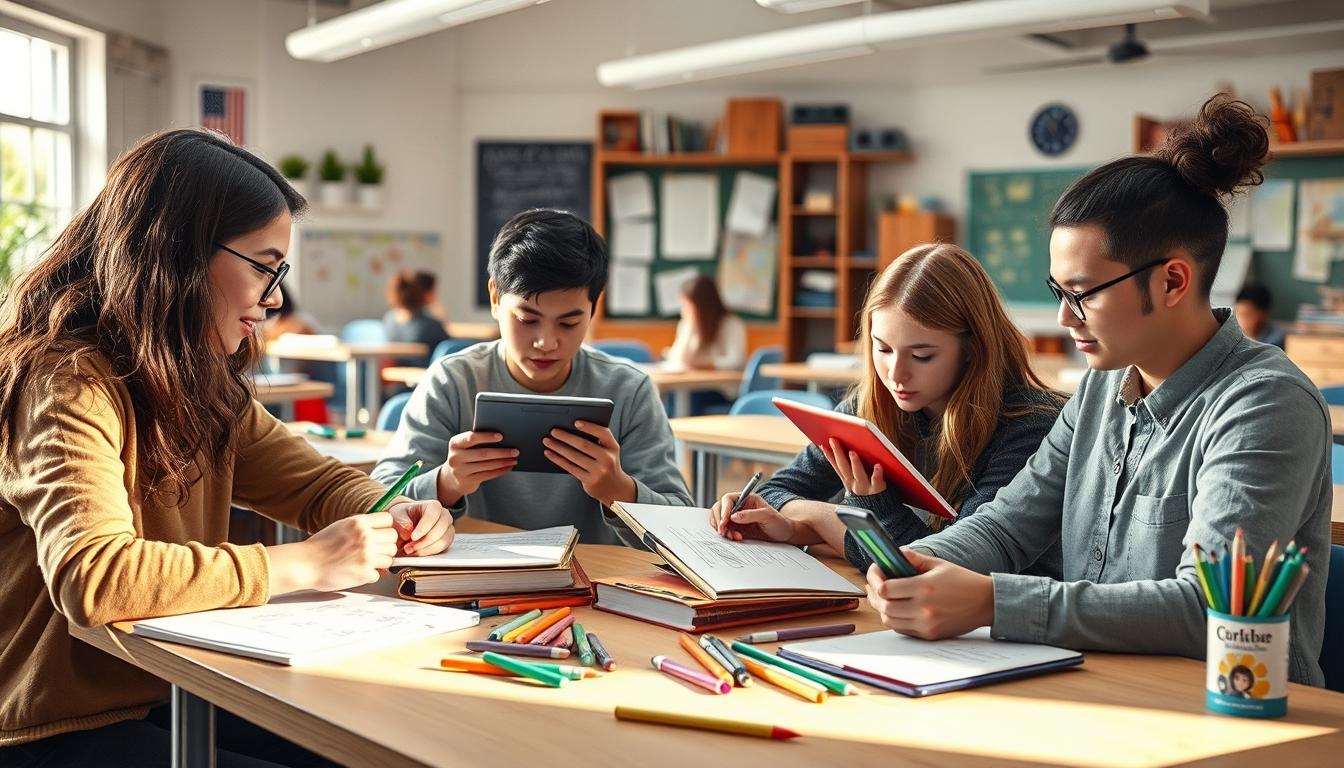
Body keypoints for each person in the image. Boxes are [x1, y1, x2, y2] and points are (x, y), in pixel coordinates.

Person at [0, 129, 456, 765]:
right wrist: (303, 565)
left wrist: (392, 508)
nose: (273, 298)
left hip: (172, 685)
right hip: (58, 723)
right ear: (180, 254)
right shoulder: (67, 380)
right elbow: (95, 577)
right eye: (263, 267)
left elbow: (319, 485)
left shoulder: (201, 384)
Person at [856, 95, 1330, 686]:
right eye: (1058, 291)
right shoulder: (1101, 387)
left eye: (1082, 293)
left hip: (1229, 715)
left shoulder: (1263, 403)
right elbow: (1008, 526)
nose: (1064, 317)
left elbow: (1211, 610)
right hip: (1096, 685)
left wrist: (993, 602)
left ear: (1173, 280)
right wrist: (921, 565)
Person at [709, 244, 1064, 576]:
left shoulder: (1028, 426)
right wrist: (803, 526)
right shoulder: (871, 409)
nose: (896, 374)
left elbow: (945, 567)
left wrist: (838, 516)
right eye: (883, 349)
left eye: (922, 355)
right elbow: (774, 493)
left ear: (972, 348)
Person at [372, 209, 692, 546]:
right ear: (495, 298)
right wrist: (447, 481)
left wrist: (618, 491)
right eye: (527, 319)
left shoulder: (629, 390)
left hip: (592, 586)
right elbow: (378, 498)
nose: (546, 342)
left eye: (569, 323)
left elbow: (682, 529)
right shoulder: (453, 381)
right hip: (474, 584)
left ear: (594, 308)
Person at [666, 274, 747, 371]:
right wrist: (690, 327)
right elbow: (677, 360)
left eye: (688, 305)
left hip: (720, 384)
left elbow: (735, 361)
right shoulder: (686, 325)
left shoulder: (732, 325)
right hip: (688, 384)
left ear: (703, 305)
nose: (683, 310)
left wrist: (703, 364)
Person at [383, 270, 450, 366]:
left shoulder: (389, 319)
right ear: (423, 294)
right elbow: (449, 346)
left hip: (397, 369)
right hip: (425, 371)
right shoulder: (428, 325)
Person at [1234, 282, 1287, 349]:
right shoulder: (1232, 335)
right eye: (1238, 313)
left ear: (1264, 313)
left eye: (1247, 314)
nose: (1241, 319)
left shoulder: (1276, 338)